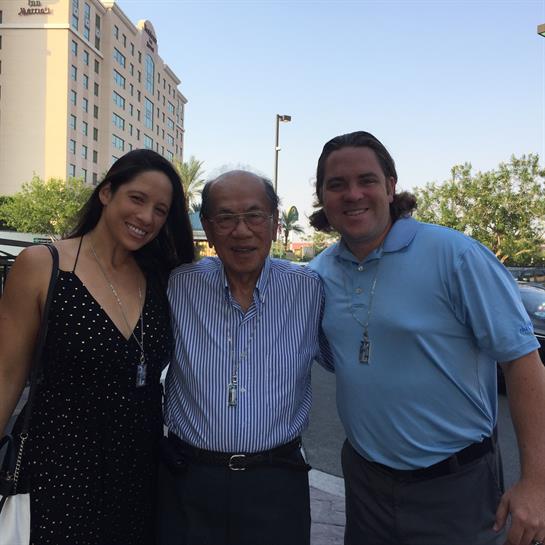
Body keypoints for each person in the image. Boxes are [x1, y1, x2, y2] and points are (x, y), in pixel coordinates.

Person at [308, 131, 545, 545]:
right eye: (337, 185)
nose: (353, 194)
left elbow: (523, 362)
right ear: (322, 196)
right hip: (365, 482)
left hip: (456, 486)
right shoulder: (319, 273)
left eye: (366, 180)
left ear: (390, 186)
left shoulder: (456, 256)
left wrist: (537, 484)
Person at [0, 149, 194, 545]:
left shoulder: (161, 278)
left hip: (137, 471)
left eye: (161, 210)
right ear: (107, 193)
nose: (147, 218)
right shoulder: (43, 265)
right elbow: (5, 375)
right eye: (137, 199)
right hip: (57, 467)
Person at [159, 170, 329, 545]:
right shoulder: (179, 284)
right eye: (226, 218)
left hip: (277, 481)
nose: (241, 231)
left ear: (274, 223)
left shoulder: (310, 290)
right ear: (207, 225)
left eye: (254, 215)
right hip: (189, 478)